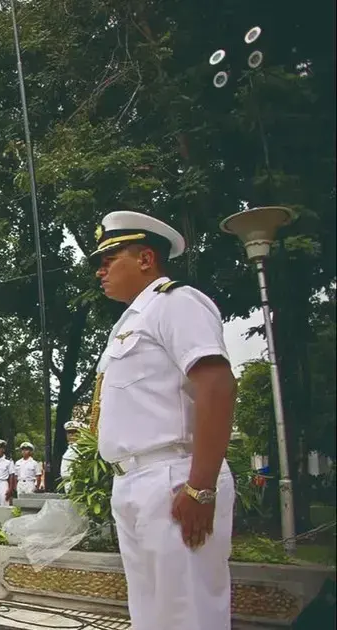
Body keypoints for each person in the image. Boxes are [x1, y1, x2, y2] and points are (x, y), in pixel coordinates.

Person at [89, 210, 236, 629]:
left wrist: (201, 488)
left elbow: (216, 386)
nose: (101, 270)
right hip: (135, 481)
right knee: (152, 616)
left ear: (145, 258)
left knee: (188, 613)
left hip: (174, 475)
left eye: (109, 258)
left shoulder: (178, 303)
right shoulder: (133, 318)